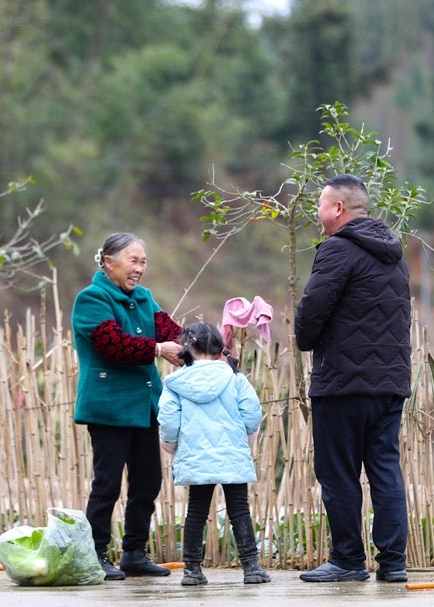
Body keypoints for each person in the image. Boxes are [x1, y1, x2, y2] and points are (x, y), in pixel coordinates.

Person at [294, 174, 411, 583]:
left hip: (343, 382)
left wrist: (302, 335)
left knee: (339, 472)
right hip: (390, 383)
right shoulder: (394, 255)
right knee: (384, 469)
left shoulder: (337, 250)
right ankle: (393, 564)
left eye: (321, 205)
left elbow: (311, 316)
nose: (318, 212)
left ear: (338, 209)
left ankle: (347, 559)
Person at [72, 233, 184, 580]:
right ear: (109, 262)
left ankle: (134, 553)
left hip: (145, 406)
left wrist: (211, 350)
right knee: (107, 483)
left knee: (148, 482)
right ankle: (95, 554)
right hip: (108, 407)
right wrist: (157, 349)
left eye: (143, 262)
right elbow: (112, 344)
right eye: (133, 261)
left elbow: (172, 331)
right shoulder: (91, 299)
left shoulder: (144, 298)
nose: (140, 268)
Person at [157, 322, 270, 586]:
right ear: (220, 348)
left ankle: (192, 571)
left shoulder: (175, 383)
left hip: (195, 455)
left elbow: (170, 422)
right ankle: (252, 568)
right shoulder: (235, 378)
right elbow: (252, 414)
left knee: (196, 512)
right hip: (232, 452)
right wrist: (245, 439)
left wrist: (172, 447)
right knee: (240, 511)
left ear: (187, 347)